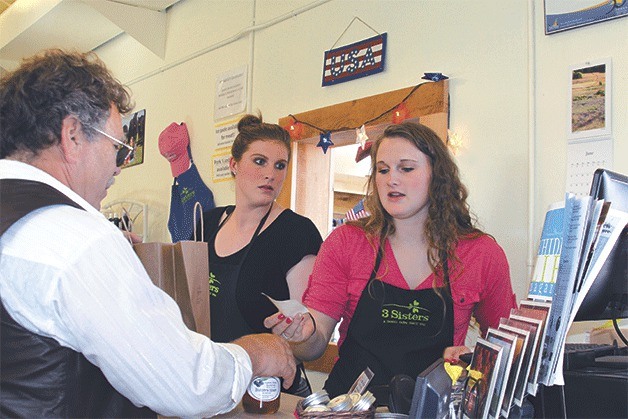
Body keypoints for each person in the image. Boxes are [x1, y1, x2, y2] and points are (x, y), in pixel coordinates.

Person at [0, 49, 295, 418]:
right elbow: (188, 384)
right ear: (72, 135)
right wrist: (253, 353)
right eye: (118, 148)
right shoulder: (76, 239)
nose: (119, 166)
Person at [265, 121, 517, 403]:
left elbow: (506, 350)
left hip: (432, 409)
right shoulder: (347, 243)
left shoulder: (480, 253)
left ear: (438, 176)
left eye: (406, 168)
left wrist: (473, 360)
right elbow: (314, 344)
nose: (391, 179)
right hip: (350, 407)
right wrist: (301, 334)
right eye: (383, 170)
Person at [198, 113, 323, 396]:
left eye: (280, 166)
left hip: (266, 394)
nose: (271, 174)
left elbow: (304, 341)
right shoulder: (205, 224)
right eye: (259, 161)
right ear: (233, 164)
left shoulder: (296, 233)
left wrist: (293, 335)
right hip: (209, 383)